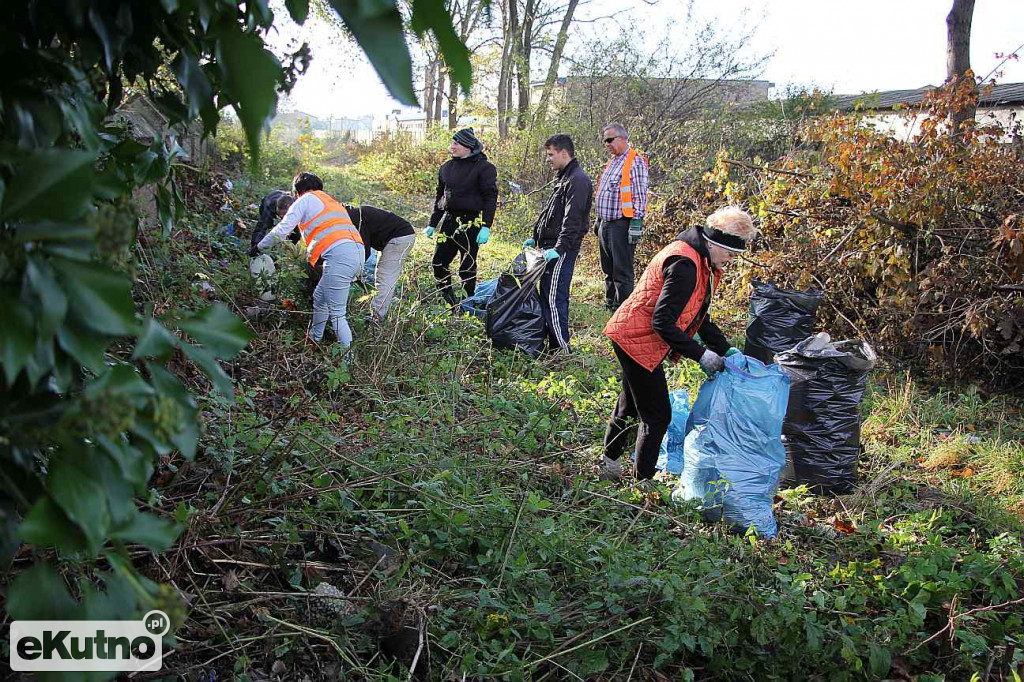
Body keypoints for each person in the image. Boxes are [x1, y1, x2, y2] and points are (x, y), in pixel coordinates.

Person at [600, 206, 758, 482]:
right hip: (636, 338)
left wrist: (723, 348)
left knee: (630, 407)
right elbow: (662, 322)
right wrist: (701, 355)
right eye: (731, 254)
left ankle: (609, 463)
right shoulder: (685, 264)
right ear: (714, 243)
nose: (733, 261)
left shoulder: (702, 260)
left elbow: (697, 314)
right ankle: (643, 482)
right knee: (658, 415)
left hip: (634, 334)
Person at [250, 172, 365, 348]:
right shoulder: (331, 201)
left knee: (337, 313)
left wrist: (259, 247)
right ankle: (314, 339)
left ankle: (348, 361)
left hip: (340, 256)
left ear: (297, 191)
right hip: (356, 252)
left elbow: (281, 230)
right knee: (320, 297)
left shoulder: (305, 199)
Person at [523, 134, 593, 353]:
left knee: (554, 298)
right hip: (549, 246)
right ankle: (550, 344)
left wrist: (558, 249)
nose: (548, 159)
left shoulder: (578, 180)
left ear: (564, 153)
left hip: (561, 248)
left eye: (551, 155)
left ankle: (561, 349)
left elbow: (572, 221)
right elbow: (551, 215)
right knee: (546, 295)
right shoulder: (564, 177)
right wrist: (536, 237)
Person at [426, 128, 498, 306]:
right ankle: (449, 301)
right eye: (452, 142)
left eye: (456, 143)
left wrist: (486, 226)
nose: (452, 146)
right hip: (449, 222)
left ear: (468, 146)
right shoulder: (446, 168)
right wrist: (433, 223)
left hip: (471, 222)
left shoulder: (484, 168)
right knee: (438, 263)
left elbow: (490, 197)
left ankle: (467, 302)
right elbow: (440, 197)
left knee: (467, 267)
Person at [595, 122, 649, 312]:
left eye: (610, 139)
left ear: (623, 138)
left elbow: (640, 194)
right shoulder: (613, 161)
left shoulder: (635, 161)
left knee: (622, 271)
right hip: (606, 223)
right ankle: (611, 304)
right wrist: (598, 220)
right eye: (605, 141)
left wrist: (637, 222)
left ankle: (624, 310)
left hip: (622, 224)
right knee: (608, 269)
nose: (607, 144)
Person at [344, 204, 416, 321]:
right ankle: (378, 311)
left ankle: (377, 317)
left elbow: (364, 251)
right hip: (394, 237)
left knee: (385, 276)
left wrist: (350, 272)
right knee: (381, 275)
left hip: (400, 236)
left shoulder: (356, 217)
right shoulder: (352, 214)